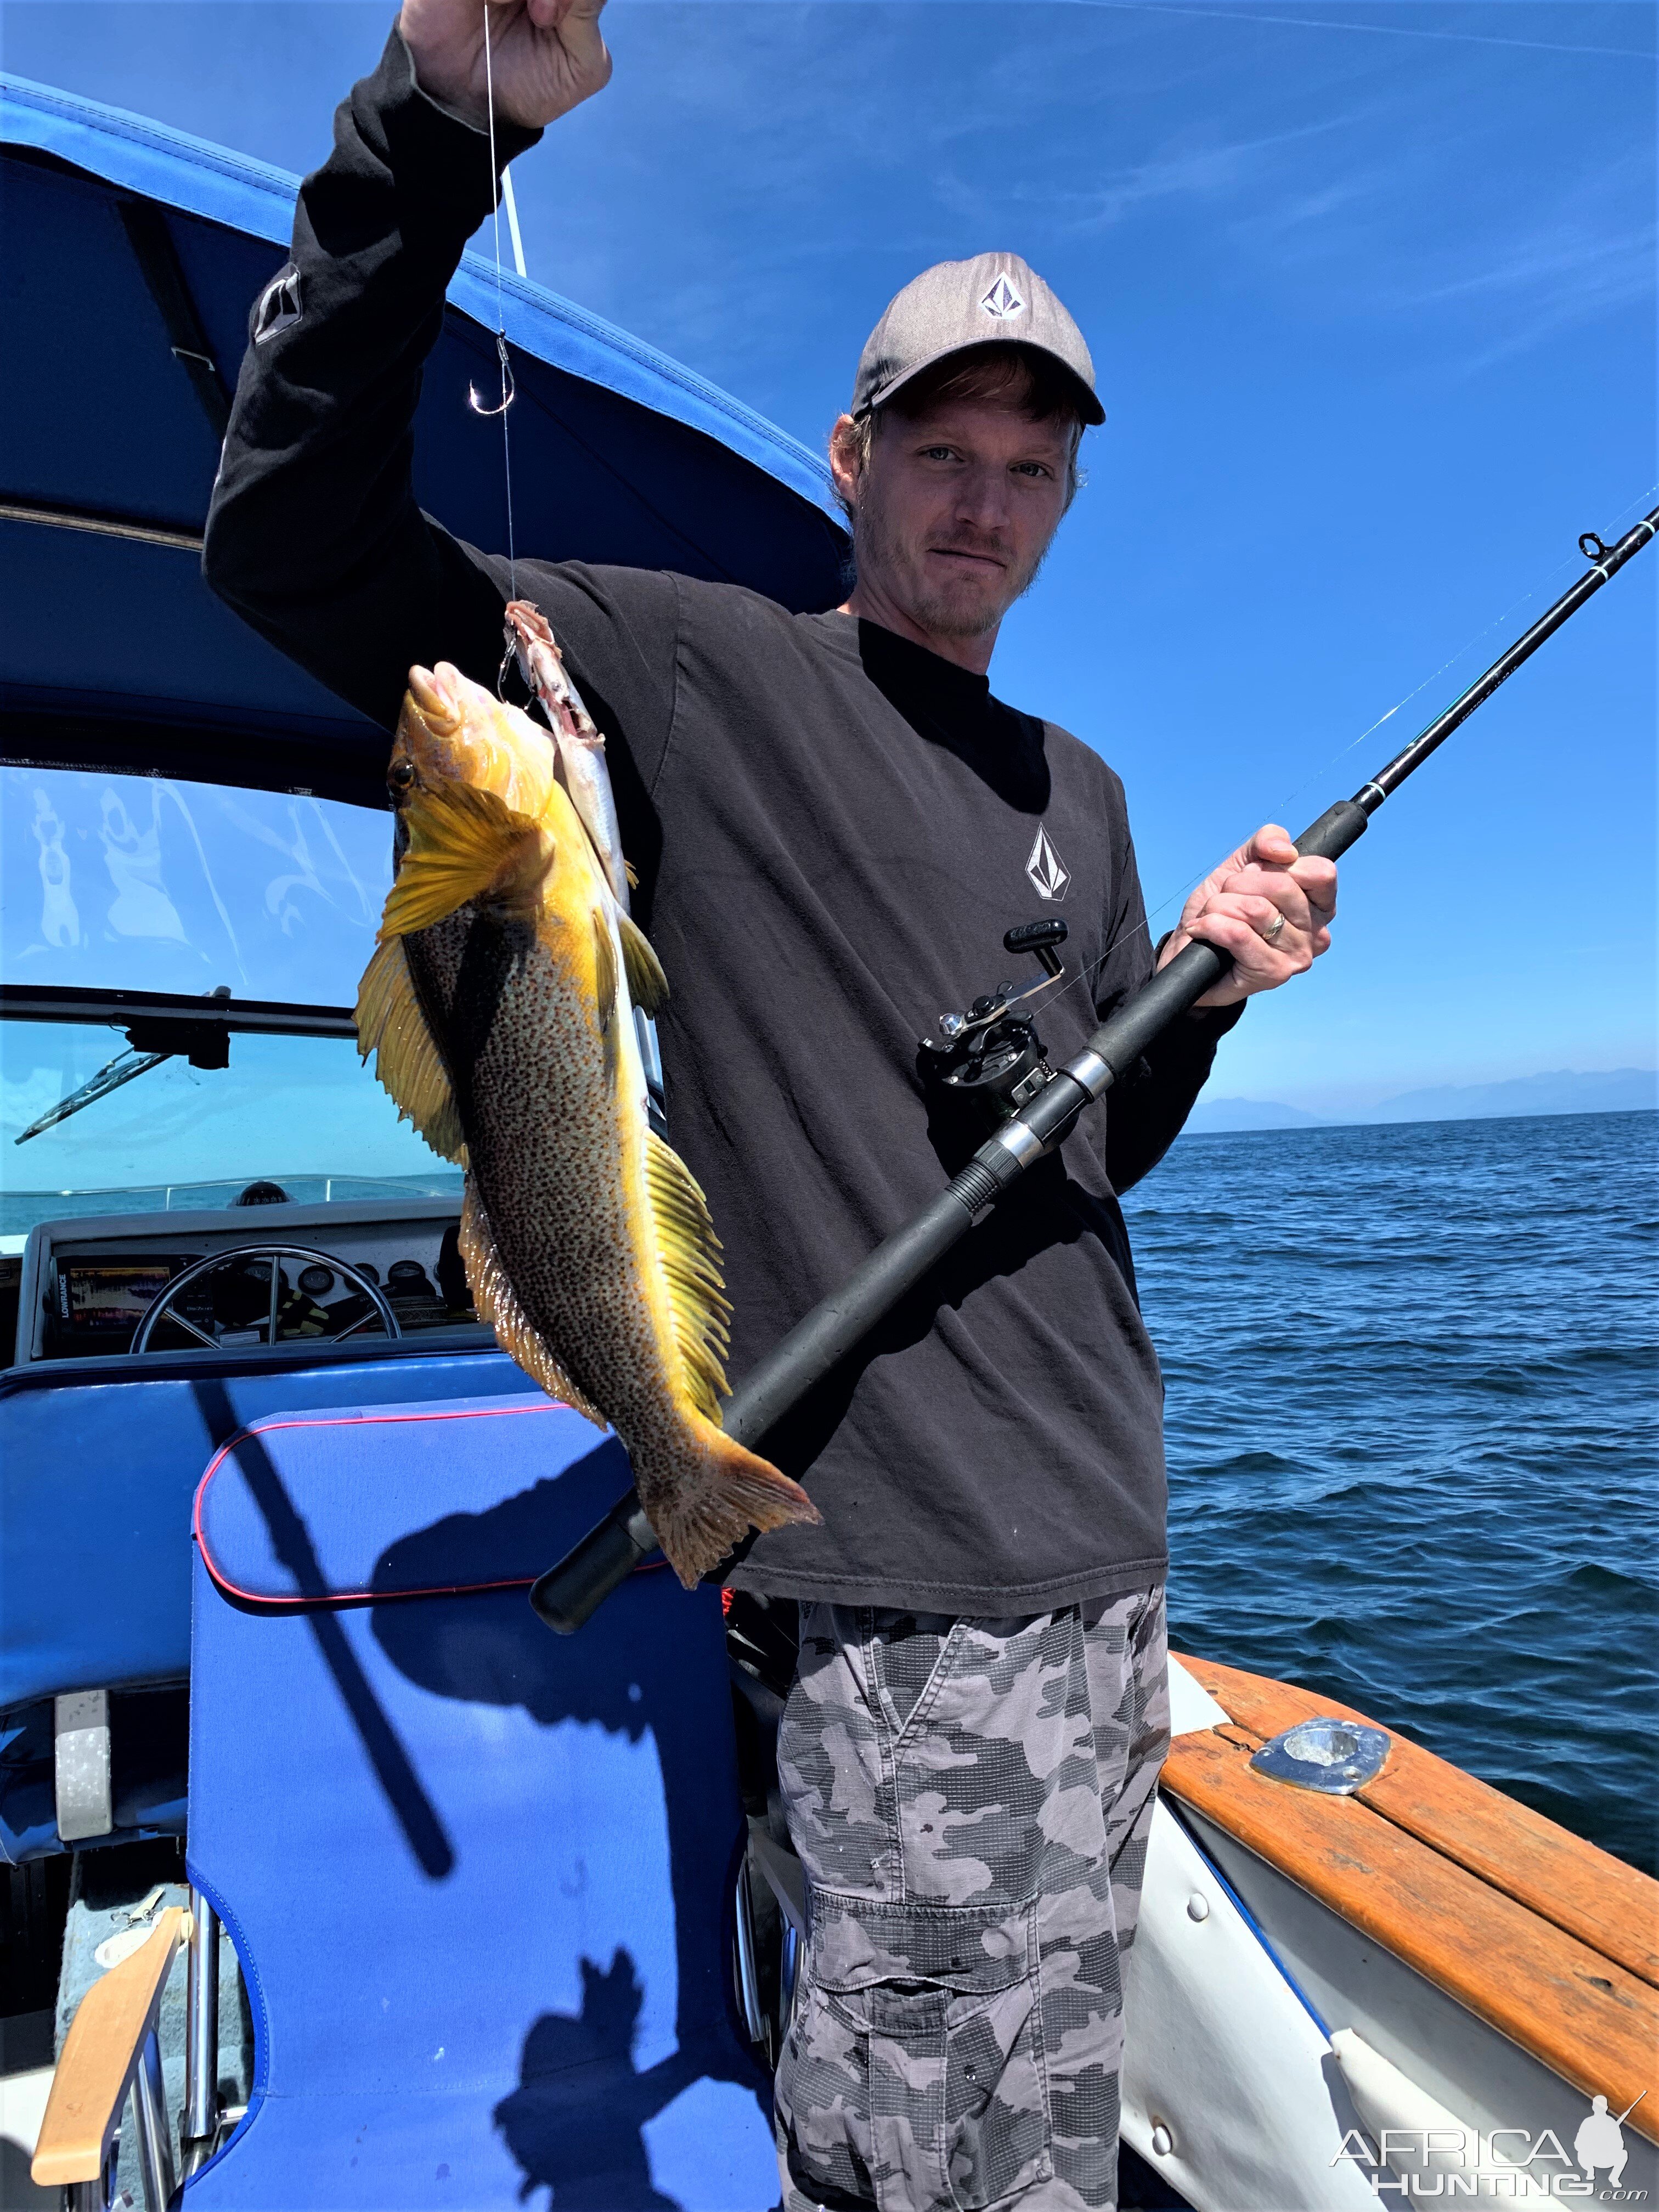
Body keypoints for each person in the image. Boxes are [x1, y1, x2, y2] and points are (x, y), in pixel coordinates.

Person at [202, 3, 1339, 2203]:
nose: (981, 501)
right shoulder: (699, 666)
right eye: (941, 450)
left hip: (1110, 1569)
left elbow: (1090, 1162)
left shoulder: (1078, 793)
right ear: (850, 456)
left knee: (1050, 2129)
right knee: (910, 2156)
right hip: (902, 1591)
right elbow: (295, 536)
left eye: (1029, 466)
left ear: (1069, 496)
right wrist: (437, 128)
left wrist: (1196, 994)